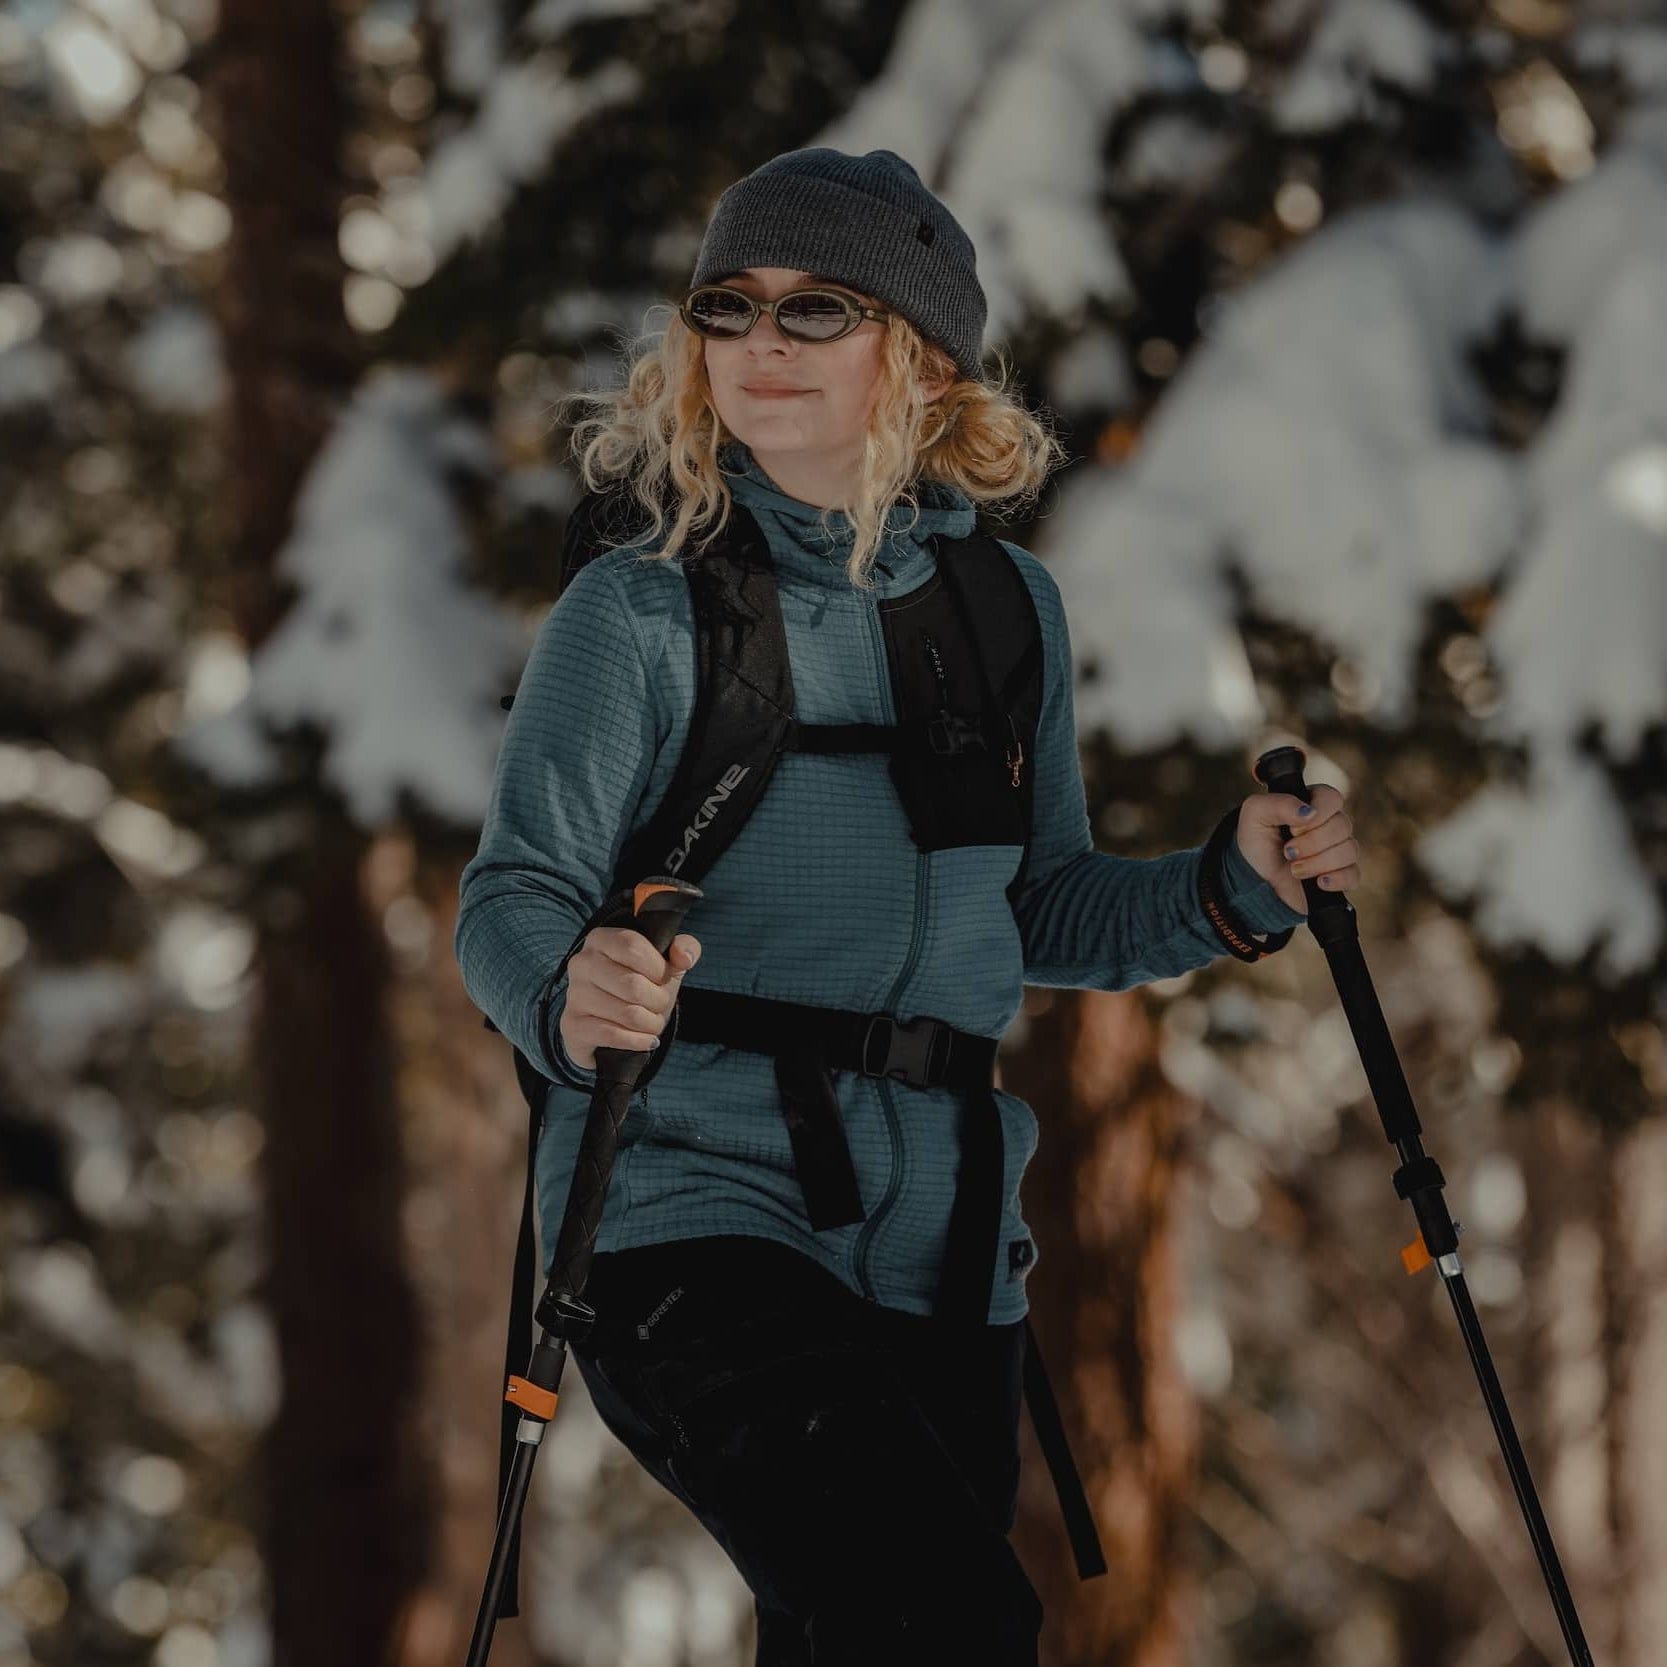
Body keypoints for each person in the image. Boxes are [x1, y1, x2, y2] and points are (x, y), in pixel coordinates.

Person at [454, 146, 1359, 1665]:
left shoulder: (1006, 613)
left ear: (922, 356)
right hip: (689, 1210)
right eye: (728, 308)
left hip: (943, 1246)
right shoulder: (643, 606)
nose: (759, 345)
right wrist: (566, 991)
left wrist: (1230, 890)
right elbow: (511, 894)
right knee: (938, 1619)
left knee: (868, 1630)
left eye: (817, 310)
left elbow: (1042, 905)